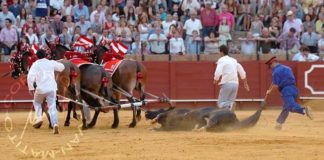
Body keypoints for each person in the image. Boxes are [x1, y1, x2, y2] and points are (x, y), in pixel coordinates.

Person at [265, 56, 313, 130]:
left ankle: (304, 109)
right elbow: (276, 82)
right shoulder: (287, 68)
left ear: (273, 63)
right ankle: (279, 123)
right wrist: (270, 88)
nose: (270, 67)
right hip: (294, 89)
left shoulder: (275, 72)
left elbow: (275, 85)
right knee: (286, 107)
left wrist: (270, 92)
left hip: (286, 90)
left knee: (291, 107)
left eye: (270, 65)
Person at [27, 49, 65, 134]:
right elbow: (62, 67)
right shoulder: (50, 62)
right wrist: (55, 63)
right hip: (51, 88)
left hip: (40, 89)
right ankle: (55, 124)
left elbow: (30, 76)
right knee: (52, 106)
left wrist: (31, 88)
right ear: (45, 55)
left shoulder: (35, 64)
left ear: (37, 56)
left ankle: (39, 118)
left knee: (37, 102)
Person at [214, 45, 250, 111]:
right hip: (236, 84)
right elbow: (242, 71)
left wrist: (215, 79)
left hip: (227, 83)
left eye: (219, 52)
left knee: (220, 103)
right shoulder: (234, 60)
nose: (219, 54)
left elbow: (218, 71)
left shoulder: (221, 60)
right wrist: (245, 83)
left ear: (221, 52)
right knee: (230, 103)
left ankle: (230, 105)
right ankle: (229, 119)